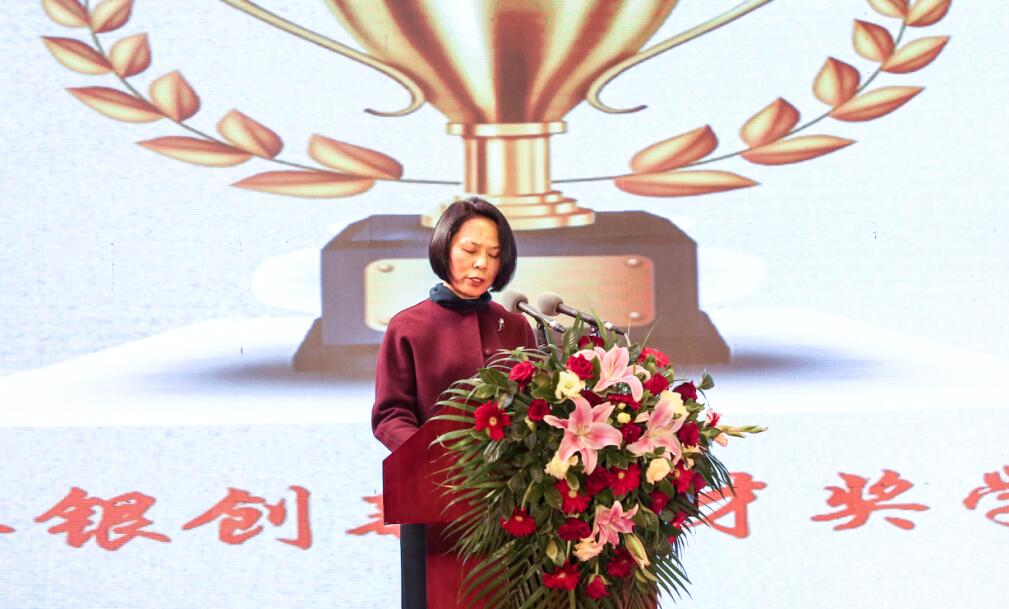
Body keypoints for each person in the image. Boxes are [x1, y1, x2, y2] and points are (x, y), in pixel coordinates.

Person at [372, 196, 538, 609]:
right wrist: (435, 456)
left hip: (510, 504)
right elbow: (390, 415)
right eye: (470, 250)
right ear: (444, 248)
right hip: (436, 501)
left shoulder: (516, 325)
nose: (481, 264)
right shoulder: (408, 326)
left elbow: (536, 407)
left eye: (494, 255)